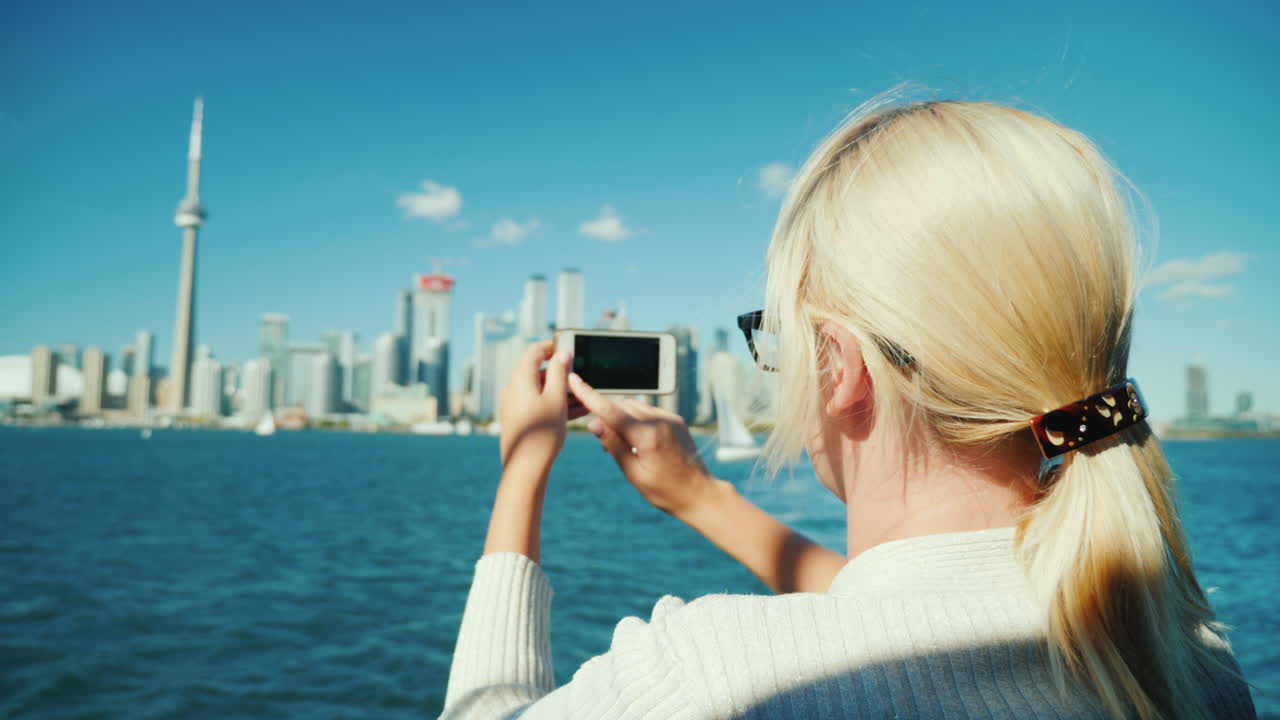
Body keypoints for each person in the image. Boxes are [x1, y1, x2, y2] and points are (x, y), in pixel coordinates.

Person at [441, 97, 1256, 719]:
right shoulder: (1187, 655)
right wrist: (699, 497)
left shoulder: (704, 677)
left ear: (837, 364)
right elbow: (917, 624)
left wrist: (524, 467)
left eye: (782, 337)